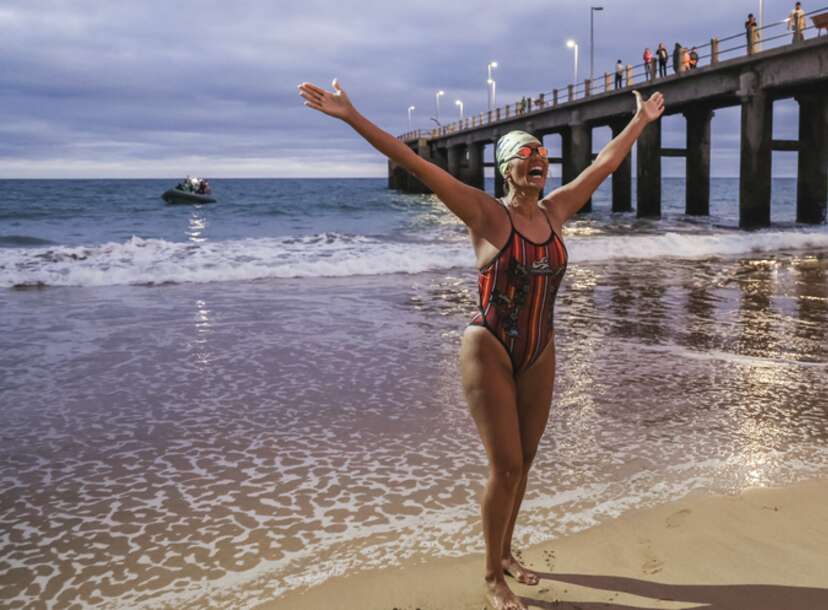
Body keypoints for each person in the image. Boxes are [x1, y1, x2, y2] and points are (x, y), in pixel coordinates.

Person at [297, 78, 665, 610]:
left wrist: (639, 122)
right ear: (506, 169)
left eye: (542, 153)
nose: (539, 159)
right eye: (526, 154)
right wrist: (352, 116)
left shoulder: (556, 211)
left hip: (540, 346)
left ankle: (508, 552)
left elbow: (603, 165)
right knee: (507, 465)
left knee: (528, 459)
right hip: (489, 345)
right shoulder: (486, 214)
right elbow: (417, 164)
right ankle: (493, 577)